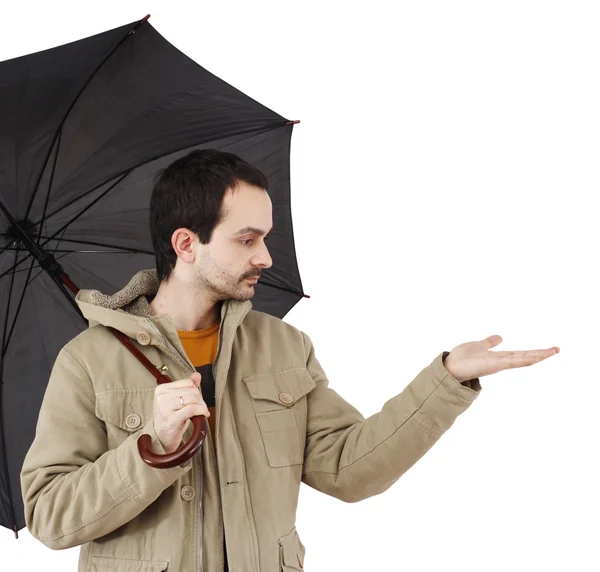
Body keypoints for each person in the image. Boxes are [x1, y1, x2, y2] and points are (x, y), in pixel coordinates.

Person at [20, 149, 559, 572]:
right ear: (186, 244)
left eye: (266, 237)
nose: (266, 257)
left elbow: (350, 470)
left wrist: (445, 380)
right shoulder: (88, 361)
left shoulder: (283, 346)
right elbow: (49, 515)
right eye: (247, 239)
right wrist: (152, 450)